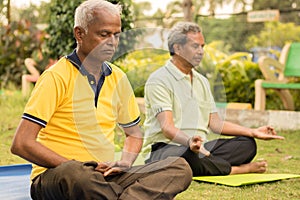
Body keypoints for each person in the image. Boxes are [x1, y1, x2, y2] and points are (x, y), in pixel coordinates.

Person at [11, 1, 192, 199]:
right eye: (104, 34)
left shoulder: (118, 78)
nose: (112, 42)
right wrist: (78, 166)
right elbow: (21, 143)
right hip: (60, 176)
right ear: (79, 34)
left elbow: (134, 135)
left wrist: (125, 162)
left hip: (104, 177)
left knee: (178, 166)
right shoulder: (56, 76)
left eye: (116, 35)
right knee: (78, 174)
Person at [142, 21, 285, 176]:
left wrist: (253, 132)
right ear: (177, 48)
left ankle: (209, 165)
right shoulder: (159, 80)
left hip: (200, 148)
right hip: (165, 149)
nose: (201, 52)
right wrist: (189, 142)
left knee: (247, 144)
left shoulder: (201, 81)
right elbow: (167, 127)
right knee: (186, 156)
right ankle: (237, 170)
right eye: (195, 46)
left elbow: (215, 124)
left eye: (202, 47)